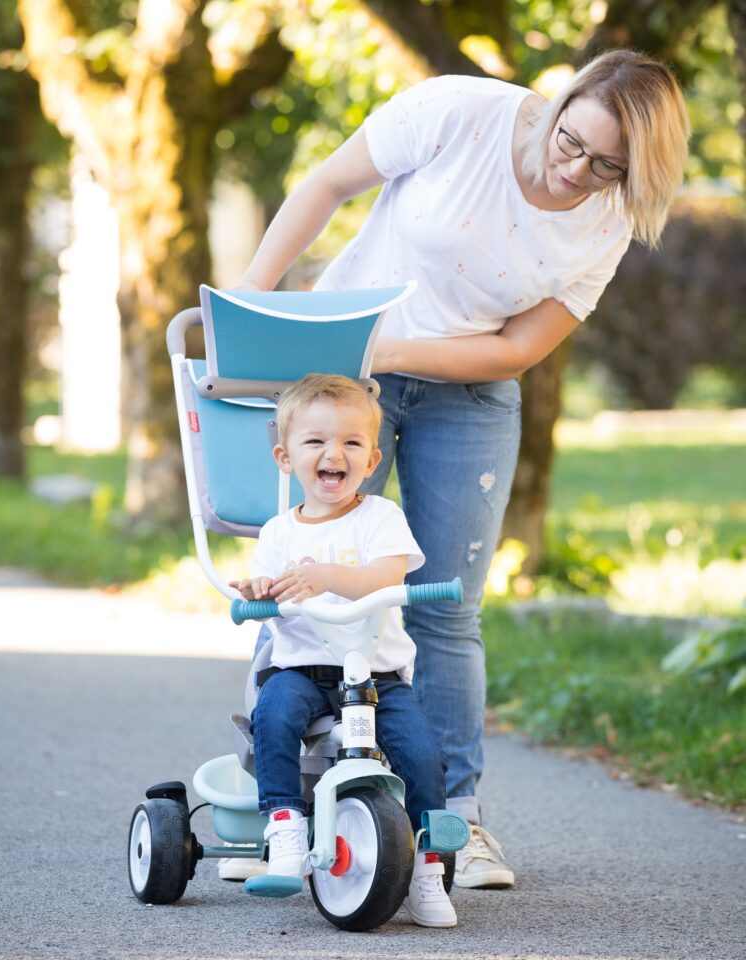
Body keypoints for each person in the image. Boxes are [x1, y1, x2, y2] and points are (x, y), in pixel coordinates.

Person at [225, 49, 691, 889]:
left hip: (468, 392)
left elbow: (516, 348)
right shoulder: (458, 112)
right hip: (345, 379)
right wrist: (251, 302)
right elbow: (327, 185)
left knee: (443, 608)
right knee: (299, 577)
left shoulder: (607, 220)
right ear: (563, 99)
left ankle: (456, 822)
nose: (575, 172)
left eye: (608, 166)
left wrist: (394, 351)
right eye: (572, 142)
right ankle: (280, 804)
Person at [229, 373, 458, 928]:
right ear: (286, 458)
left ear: (372, 459)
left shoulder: (380, 518)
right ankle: (285, 826)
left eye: (351, 442)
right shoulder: (278, 533)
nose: (334, 454)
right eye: (316, 441)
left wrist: (329, 575)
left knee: (423, 755)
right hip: (302, 669)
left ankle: (427, 867)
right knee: (273, 716)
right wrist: (257, 590)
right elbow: (264, 585)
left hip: (376, 675)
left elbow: (388, 574)